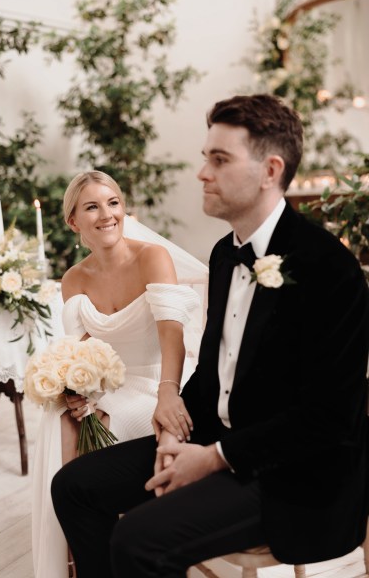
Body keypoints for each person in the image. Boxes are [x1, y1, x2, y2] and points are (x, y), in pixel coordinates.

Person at [51, 94, 369, 578]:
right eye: (205, 157)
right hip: (214, 437)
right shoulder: (224, 255)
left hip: (293, 473)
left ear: (270, 170)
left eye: (219, 160)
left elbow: (328, 418)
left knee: (138, 539)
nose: (202, 172)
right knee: (72, 486)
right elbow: (216, 376)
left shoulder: (330, 269)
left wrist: (215, 458)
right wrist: (173, 426)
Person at [31, 170, 207, 578]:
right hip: (112, 383)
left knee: (103, 423)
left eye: (113, 203)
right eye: (92, 206)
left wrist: (169, 391)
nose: (106, 214)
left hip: (161, 377)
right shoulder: (74, 278)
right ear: (74, 222)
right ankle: (78, 553)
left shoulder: (151, 258)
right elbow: (81, 352)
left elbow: (172, 335)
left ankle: (113, 549)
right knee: (59, 421)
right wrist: (75, 390)